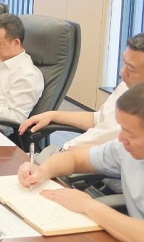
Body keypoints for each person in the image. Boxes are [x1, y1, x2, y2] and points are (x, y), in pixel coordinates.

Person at [17, 84, 144, 241]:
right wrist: (42, 171)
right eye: (121, 129)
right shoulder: (123, 148)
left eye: (130, 133)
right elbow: (74, 159)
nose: (121, 138)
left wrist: (88, 205)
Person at [20, 32, 144, 151]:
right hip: (70, 152)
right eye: (124, 63)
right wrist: (52, 115)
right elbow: (98, 119)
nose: (122, 72)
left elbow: (115, 156)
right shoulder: (126, 86)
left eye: (131, 68)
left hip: (85, 162)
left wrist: (72, 157)